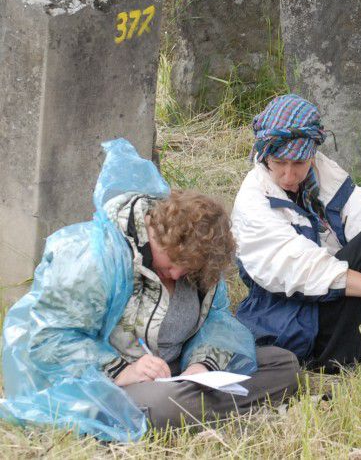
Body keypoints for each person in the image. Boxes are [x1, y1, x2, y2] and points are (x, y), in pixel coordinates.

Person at [0, 139, 301, 439]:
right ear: (158, 232)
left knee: (282, 363)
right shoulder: (96, 256)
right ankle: (184, 411)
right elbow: (50, 338)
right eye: (174, 264)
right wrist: (119, 370)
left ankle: (193, 406)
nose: (179, 274)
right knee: (164, 406)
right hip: (109, 382)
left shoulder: (198, 261)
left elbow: (218, 321)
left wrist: (202, 365)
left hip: (175, 375)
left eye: (189, 269)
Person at [231, 94, 361, 373]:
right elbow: (308, 272)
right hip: (294, 319)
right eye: (279, 162)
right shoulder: (253, 202)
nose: (289, 175)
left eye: (299, 164)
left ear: (312, 156)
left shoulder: (325, 173)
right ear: (264, 154)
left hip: (332, 298)